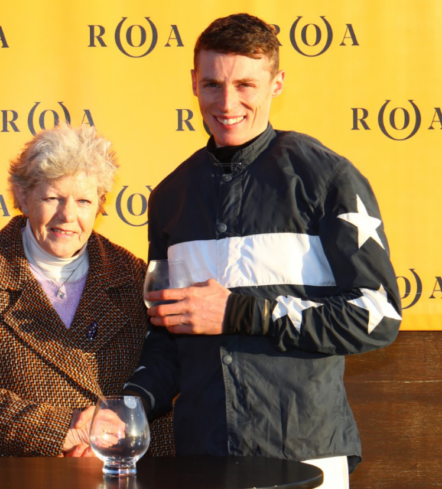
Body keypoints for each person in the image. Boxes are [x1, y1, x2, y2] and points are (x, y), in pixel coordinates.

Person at [123, 14, 401, 488]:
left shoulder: (327, 179)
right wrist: (132, 405)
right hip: (201, 458)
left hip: (306, 454)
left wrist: (242, 313)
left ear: (277, 83)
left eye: (245, 85)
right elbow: (168, 337)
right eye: (212, 84)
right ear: (193, 83)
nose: (227, 103)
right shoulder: (170, 196)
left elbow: (377, 315)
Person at [0, 124, 174, 457]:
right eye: (52, 198)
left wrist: (118, 435)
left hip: (124, 473)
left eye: (83, 200)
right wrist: (65, 429)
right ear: (22, 196)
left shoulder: (134, 277)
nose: (68, 216)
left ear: (100, 204)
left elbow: (164, 374)